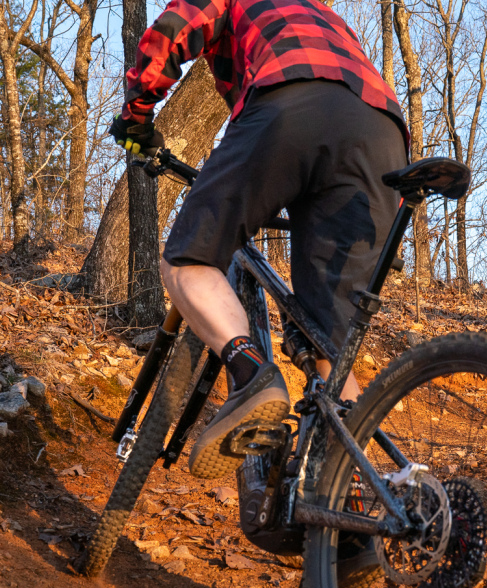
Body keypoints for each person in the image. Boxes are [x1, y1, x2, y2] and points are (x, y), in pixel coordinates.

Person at [110, 0, 409, 480]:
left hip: (291, 103)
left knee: (187, 261)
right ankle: (349, 518)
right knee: (331, 345)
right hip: (384, 134)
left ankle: (251, 377)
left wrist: (136, 115)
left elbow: (174, 28)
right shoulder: (326, 15)